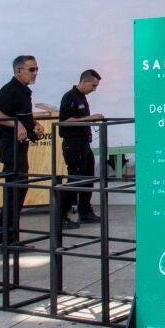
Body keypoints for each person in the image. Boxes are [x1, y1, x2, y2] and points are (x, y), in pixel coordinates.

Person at [0, 55, 56, 245]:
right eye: (31, 69)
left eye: (37, 69)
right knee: (15, 191)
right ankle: (8, 238)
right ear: (18, 71)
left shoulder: (23, 91)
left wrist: (33, 124)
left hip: (19, 146)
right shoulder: (11, 90)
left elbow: (22, 114)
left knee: (17, 190)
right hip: (11, 146)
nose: (35, 73)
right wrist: (15, 124)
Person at [57, 69, 104, 228]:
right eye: (93, 85)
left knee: (88, 176)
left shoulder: (82, 97)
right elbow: (66, 120)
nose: (94, 89)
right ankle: (61, 214)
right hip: (73, 143)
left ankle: (85, 211)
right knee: (75, 177)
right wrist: (91, 118)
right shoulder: (70, 97)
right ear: (84, 81)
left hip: (84, 142)